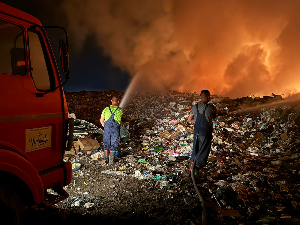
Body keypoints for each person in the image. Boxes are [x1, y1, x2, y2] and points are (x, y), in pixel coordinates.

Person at [187, 90, 227, 175]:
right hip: (205, 133)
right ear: (208, 97)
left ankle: (191, 165)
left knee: (196, 149)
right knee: (204, 150)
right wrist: (225, 113)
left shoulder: (195, 107)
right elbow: (217, 113)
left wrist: (196, 122)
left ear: (201, 97)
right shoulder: (211, 107)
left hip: (196, 132)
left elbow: (189, 119)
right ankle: (197, 168)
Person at [100, 96, 123, 165]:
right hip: (115, 130)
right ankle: (111, 162)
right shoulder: (120, 110)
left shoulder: (106, 109)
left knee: (106, 143)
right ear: (118, 102)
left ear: (111, 101)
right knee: (114, 144)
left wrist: (106, 126)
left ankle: (105, 160)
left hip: (107, 129)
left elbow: (101, 120)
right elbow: (120, 120)